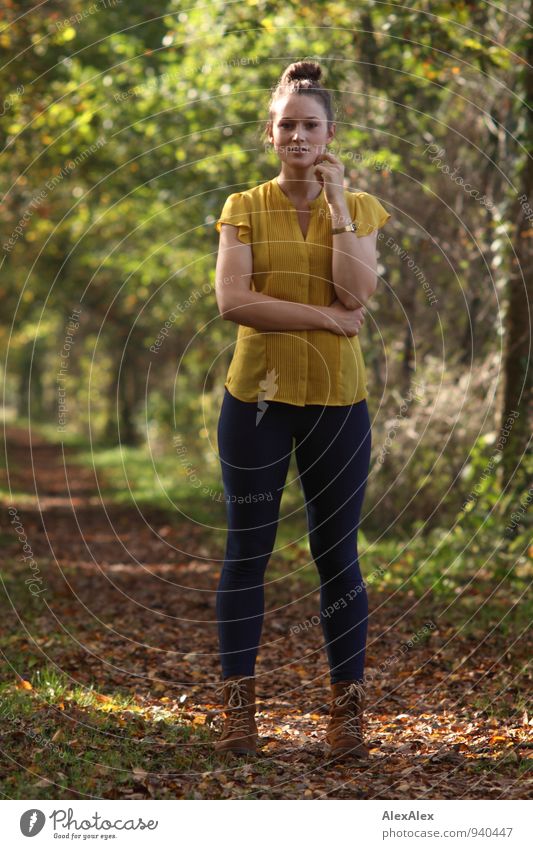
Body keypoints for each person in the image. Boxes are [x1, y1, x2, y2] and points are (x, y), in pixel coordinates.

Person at [212, 59, 391, 760]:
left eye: (308, 125)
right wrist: (320, 317)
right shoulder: (242, 206)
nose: (296, 136)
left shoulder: (361, 208)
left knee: (336, 556)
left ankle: (346, 718)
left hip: (338, 405)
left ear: (328, 134)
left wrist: (340, 202)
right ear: (270, 132)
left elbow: (357, 295)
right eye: (285, 124)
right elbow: (234, 302)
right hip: (255, 401)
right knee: (245, 552)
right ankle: (238, 715)